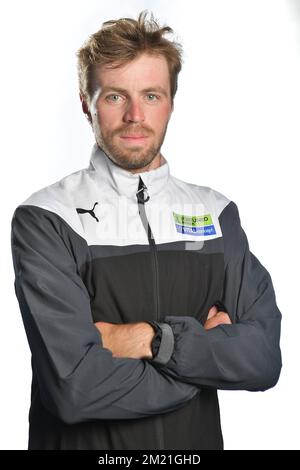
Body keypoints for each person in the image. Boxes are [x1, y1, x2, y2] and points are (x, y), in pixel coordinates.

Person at [10, 10, 282, 450]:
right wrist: (206, 359)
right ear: (86, 102)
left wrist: (153, 340)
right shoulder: (47, 218)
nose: (135, 115)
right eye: (115, 96)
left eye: (151, 95)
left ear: (172, 101)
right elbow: (74, 389)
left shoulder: (216, 213)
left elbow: (264, 360)